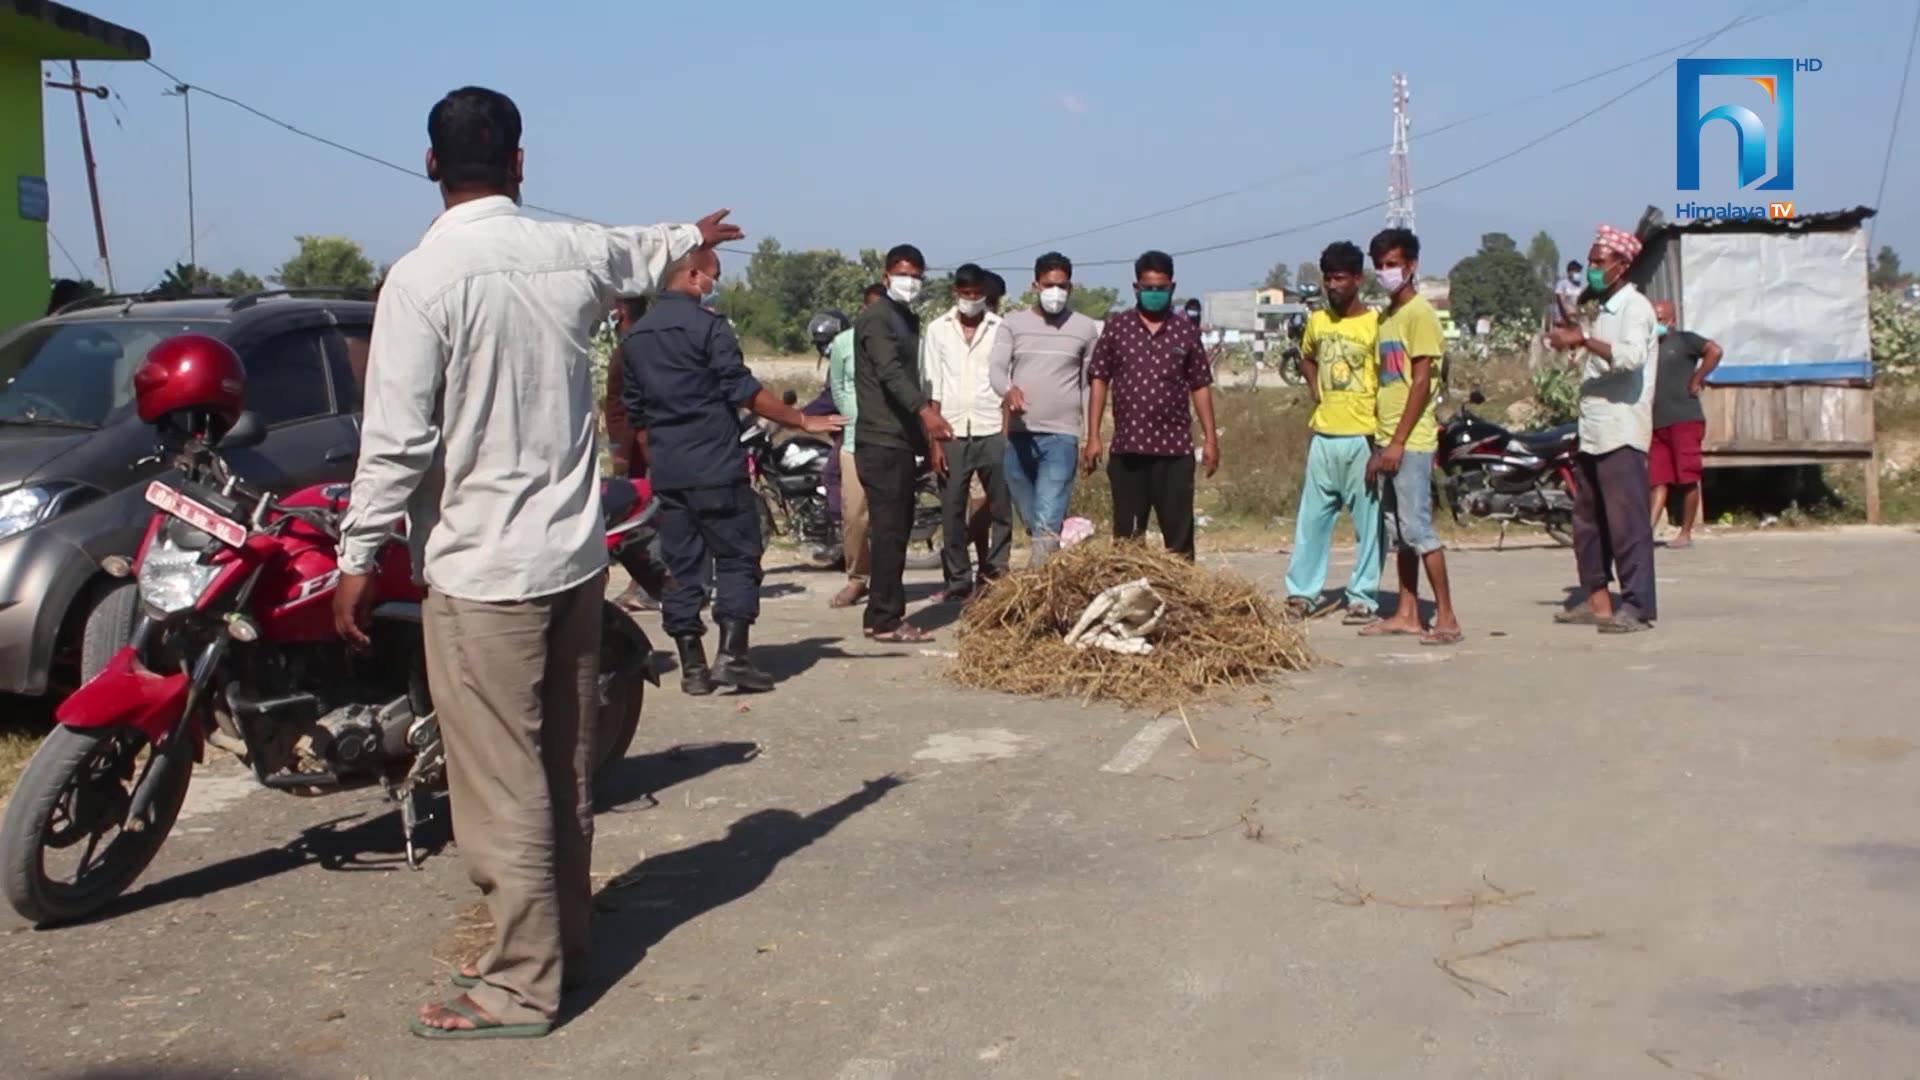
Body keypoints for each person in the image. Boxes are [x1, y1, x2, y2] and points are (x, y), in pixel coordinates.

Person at [332, 86, 743, 1039]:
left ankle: (519, 986)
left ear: (430, 165)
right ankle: (566, 946)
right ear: (521, 163)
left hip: (482, 574)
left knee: (500, 787)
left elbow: (394, 443)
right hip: (570, 562)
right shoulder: (566, 249)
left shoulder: (420, 281)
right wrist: (692, 228)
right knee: (562, 771)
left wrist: (358, 558)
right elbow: (642, 244)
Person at [624, 247, 844, 694]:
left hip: (670, 471)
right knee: (739, 557)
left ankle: (691, 667)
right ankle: (732, 656)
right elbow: (742, 389)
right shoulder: (709, 327)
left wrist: (664, 457)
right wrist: (802, 419)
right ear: (691, 275)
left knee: (682, 566)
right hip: (716, 465)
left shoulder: (636, 337)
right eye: (713, 276)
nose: (715, 283)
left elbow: (637, 416)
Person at [1547, 225, 1660, 633]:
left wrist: (1584, 340)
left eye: (1599, 262)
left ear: (1622, 266)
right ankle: (1597, 600)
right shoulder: (1603, 313)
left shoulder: (1636, 309)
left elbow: (1629, 359)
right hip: (1593, 431)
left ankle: (1637, 606)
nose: (1593, 269)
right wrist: (1571, 341)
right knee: (1588, 521)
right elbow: (1588, 362)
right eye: (1591, 261)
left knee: (1627, 523)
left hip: (1621, 432)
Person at [1361, 228, 1462, 645]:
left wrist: (1400, 440)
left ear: (1411, 266)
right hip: (1387, 439)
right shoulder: (1386, 318)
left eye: (1393, 264)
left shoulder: (1420, 315)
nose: (1386, 272)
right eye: (1380, 265)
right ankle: (1406, 612)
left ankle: (1447, 617)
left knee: (1418, 531)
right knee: (1398, 532)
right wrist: (1378, 444)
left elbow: (1421, 382)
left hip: (1413, 441)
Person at [1083, 250, 1219, 559]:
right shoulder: (1118, 328)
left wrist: (1210, 439)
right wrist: (1092, 437)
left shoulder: (1185, 330)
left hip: (1174, 452)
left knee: (1179, 541)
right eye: (1148, 288)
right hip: (1129, 450)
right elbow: (1099, 379)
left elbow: (1199, 384)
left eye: (1161, 288)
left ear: (1172, 287)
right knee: (1128, 540)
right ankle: (1131, 602)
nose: (1154, 294)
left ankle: (1182, 601)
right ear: (1136, 288)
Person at [854, 244, 952, 642]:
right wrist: (926, 414)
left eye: (916, 275)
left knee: (896, 528)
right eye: (902, 273)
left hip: (900, 439)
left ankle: (883, 613)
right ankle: (884, 618)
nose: (909, 282)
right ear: (886, 275)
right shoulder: (877, 319)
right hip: (881, 438)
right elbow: (890, 373)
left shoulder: (905, 318)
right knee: (890, 530)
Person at [1282, 241, 1382, 623]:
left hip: (1363, 436)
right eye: (1327, 278)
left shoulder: (1375, 324)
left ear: (1357, 279)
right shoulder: (1319, 323)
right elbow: (1305, 356)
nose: (1332, 285)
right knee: (1311, 522)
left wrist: (1381, 441)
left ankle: (1363, 595)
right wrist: (1313, 387)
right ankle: (1302, 594)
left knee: (1368, 523)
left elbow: (1388, 380)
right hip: (1324, 435)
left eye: (1339, 278)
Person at [994, 251, 1101, 566]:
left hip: (1061, 436)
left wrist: (1091, 434)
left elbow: (1087, 384)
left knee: (1046, 522)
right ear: (1035, 285)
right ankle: (1061, 552)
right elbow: (997, 369)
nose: (1055, 292)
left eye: (1062, 285)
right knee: (1032, 517)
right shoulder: (1012, 324)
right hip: (1018, 435)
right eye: (1049, 285)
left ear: (1071, 287)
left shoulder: (1084, 328)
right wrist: (1008, 390)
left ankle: (1036, 589)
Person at [924, 263, 1012, 600]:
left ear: (985, 295)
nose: (971, 300)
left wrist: (1006, 433)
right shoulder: (937, 330)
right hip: (952, 431)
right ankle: (958, 578)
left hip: (991, 428)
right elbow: (933, 387)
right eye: (966, 294)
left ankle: (996, 570)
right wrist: (934, 442)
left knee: (1001, 507)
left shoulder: (999, 328)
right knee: (953, 508)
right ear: (955, 293)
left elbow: (1006, 382)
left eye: (977, 295)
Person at [826, 283, 886, 608]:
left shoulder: (898, 341)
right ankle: (857, 578)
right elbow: (838, 389)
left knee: (889, 518)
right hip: (854, 442)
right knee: (855, 516)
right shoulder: (842, 344)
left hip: (890, 441)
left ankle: (888, 583)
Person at [1647, 299, 1721, 549]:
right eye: (1653, 319)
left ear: (1671, 320)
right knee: (1657, 480)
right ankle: (1646, 534)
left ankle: (1685, 533)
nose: (1657, 323)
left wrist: (1697, 378)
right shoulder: (1646, 347)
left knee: (1687, 477)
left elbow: (1715, 350)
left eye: (1661, 319)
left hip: (1684, 419)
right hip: (1656, 423)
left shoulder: (1684, 341)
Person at [603, 296, 650, 478]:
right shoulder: (639, 343)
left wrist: (621, 452)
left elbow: (627, 406)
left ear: (620, 311)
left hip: (633, 450)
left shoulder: (627, 350)